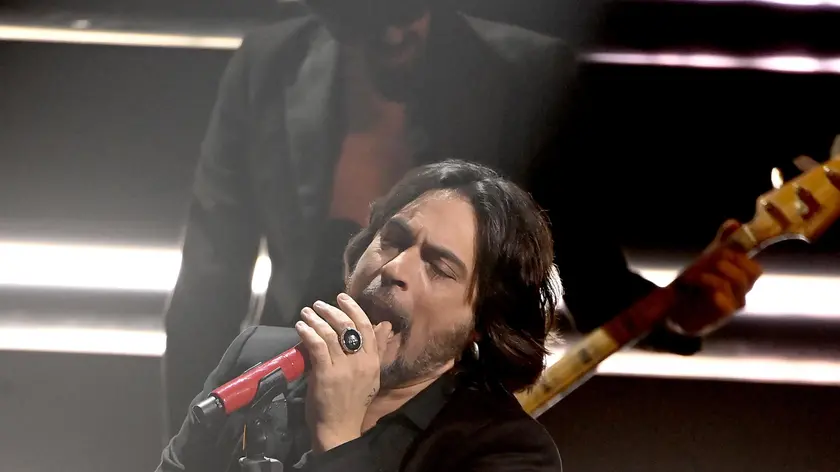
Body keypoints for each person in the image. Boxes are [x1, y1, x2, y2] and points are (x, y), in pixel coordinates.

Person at [162, 0, 709, 437]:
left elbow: (594, 280)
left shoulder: (526, 76)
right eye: (367, 18)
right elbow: (209, 285)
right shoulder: (268, 67)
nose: (393, 33)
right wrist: (193, 442)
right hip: (288, 419)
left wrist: (681, 311)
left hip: (448, 430)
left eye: (407, 10)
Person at [157, 160, 762, 472]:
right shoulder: (259, 360)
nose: (396, 269)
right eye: (393, 240)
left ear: (481, 321)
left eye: (439, 267)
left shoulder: (505, 454)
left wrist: (339, 438)